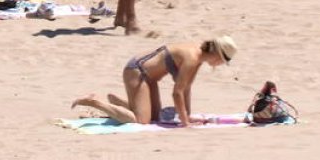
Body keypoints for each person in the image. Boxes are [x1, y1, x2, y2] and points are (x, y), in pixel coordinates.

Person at [71, 37, 237, 125]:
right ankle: (95, 102)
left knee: (155, 117)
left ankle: (121, 102)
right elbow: (177, 93)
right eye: (223, 60)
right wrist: (185, 123)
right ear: (217, 54)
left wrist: (187, 116)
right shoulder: (192, 58)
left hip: (149, 78)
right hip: (137, 71)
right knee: (141, 121)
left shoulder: (197, 57)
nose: (221, 64)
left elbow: (186, 88)